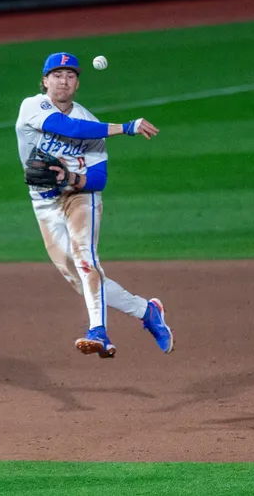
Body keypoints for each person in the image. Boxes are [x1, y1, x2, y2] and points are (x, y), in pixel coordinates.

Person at [14, 51, 174, 358]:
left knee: (86, 259)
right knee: (78, 279)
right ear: (44, 81)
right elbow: (68, 129)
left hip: (79, 198)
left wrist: (72, 178)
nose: (64, 81)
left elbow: (98, 178)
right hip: (43, 203)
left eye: (71, 76)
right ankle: (147, 311)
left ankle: (98, 332)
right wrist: (125, 127)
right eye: (57, 75)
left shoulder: (90, 122)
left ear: (77, 84)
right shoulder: (32, 105)